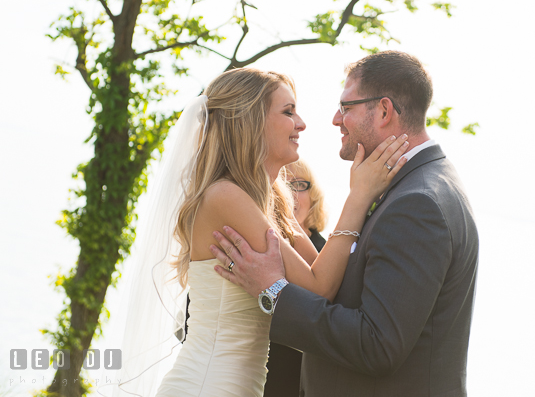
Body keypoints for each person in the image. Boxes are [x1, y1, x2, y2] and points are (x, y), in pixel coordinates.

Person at [110, 68, 408, 397]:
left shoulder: (271, 203)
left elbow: (328, 276)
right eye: (288, 112)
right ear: (250, 121)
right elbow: (319, 288)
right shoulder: (223, 196)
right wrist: (359, 196)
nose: (301, 124)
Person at [212, 51, 479, 397]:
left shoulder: (418, 203)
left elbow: (376, 345)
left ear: (383, 111)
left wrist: (274, 291)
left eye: (346, 107)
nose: (336, 119)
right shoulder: (412, 187)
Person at [263, 159, 328, 397]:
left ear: (314, 196)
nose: (290, 193)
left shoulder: (328, 255)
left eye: (300, 185)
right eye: (284, 184)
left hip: (303, 379)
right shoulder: (260, 243)